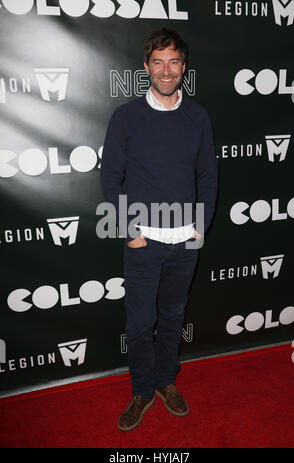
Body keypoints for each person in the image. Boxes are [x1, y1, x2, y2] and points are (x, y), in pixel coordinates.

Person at [101, 28, 218, 432]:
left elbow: (208, 174)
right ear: (146, 67)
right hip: (143, 242)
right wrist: (130, 232)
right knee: (138, 323)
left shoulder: (198, 117)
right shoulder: (126, 117)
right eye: (158, 62)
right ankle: (142, 391)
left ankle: (166, 382)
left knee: (171, 316)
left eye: (174, 62)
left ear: (183, 67)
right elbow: (109, 178)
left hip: (185, 241)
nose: (166, 71)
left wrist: (198, 230)